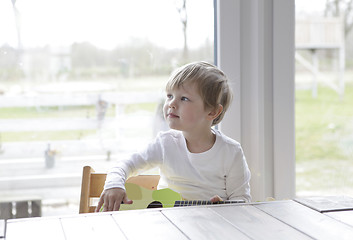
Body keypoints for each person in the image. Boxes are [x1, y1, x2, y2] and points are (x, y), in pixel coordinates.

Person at [96, 61, 251, 212]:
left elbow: (243, 202)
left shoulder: (231, 152)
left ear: (212, 112)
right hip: (169, 225)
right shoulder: (165, 144)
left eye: (184, 98)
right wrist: (114, 185)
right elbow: (125, 164)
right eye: (169, 96)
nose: (171, 104)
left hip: (213, 227)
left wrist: (225, 207)